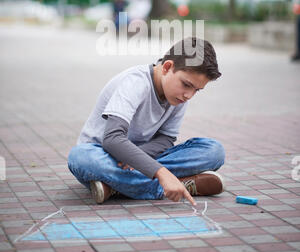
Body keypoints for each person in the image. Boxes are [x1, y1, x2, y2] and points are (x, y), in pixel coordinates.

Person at [68, 37, 226, 206]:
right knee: (80, 157)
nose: (189, 95)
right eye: (187, 85)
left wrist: (139, 158)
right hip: (106, 154)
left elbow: (166, 139)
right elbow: (112, 139)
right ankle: (174, 185)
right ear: (167, 67)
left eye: (197, 90)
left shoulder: (178, 95)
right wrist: (161, 173)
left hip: (140, 158)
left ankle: (116, 187)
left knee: (214, 151)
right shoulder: (135, 82)